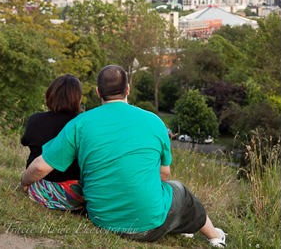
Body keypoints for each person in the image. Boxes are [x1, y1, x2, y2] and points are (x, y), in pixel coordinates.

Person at [20, 65, 227, 247]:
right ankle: (215, 237)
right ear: (128, 89)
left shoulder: (80, 123)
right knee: (180, 190)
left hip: (101, 220)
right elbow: (163, 176)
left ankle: (182, 226)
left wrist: (24, 181)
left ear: (98, 92)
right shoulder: (154, 122)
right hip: (148, 226)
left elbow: (40, 167)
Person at [20, 74, 86, 211]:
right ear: (78, 99)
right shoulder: (82, 124)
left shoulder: (35, 120)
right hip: (77, 194)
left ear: (50, 95)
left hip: (42, 187)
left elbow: (25, 141)